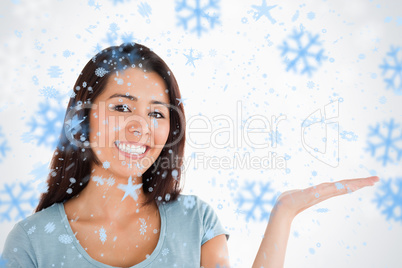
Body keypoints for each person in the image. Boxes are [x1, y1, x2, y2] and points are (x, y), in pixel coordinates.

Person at [1, 42, 380, 268]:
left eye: (155, 113)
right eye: (121, 107)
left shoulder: (195, 221)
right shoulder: (31, 242)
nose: (140, 126)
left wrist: (284, 212)